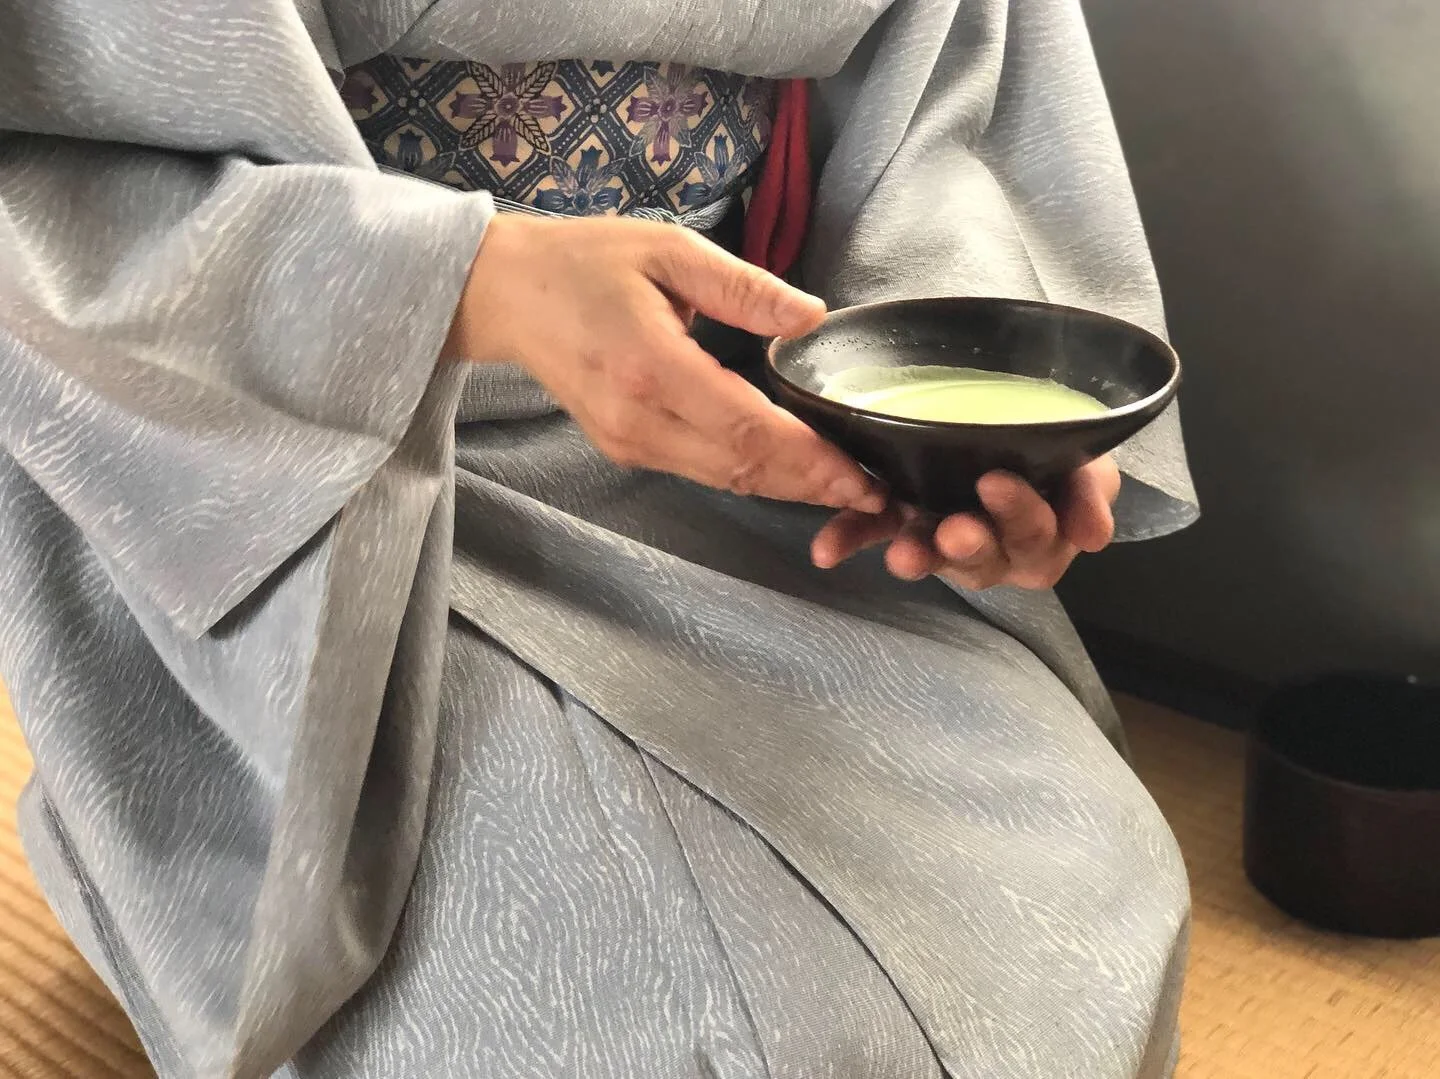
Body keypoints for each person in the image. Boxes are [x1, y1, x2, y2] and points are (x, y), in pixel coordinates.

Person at [0, 0, 1199, 1075]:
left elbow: (947, 94)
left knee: (1080, 891)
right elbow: (52, 157)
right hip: (323, 438)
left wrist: (948, 401)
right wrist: (469, 280)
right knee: (692, 1021)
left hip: (734, 415)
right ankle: (146, 859)